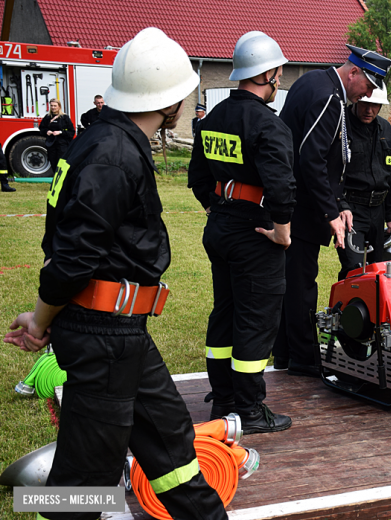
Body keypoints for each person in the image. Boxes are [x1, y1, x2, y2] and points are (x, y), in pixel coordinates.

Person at [3, 27, 228, 520]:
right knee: (79, 489)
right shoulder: (114, 154)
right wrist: (40, 320)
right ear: (171, 100)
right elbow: (74, 257)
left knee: (172, 449)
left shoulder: (103, 140)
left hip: (121, 336)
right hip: (102, 338)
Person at [187, 31, 296, 433]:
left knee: (226, 311)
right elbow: (282, 188)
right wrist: (282, 233)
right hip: (256, 233)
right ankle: (249, 412)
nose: (279, 82)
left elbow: (198, 178)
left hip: (221, 227)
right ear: (267, 73)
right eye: (278, 74)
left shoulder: (212, 118)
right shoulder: (268, 124)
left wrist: (219, 209)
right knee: (256, 319)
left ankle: (225, 399)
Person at [273, 44, 391, 376]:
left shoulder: (317, 82)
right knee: (301, 285)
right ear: (353, 73)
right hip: (302, 208)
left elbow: (325, 158)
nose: (366, 96)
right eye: (367, 87)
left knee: (293, 281)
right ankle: (301, 357)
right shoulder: (329, 97)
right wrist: (331, 213)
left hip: (297, 202)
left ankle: (284, 353)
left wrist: (338, 203)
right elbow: (311, 160)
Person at [337, 84, 391, 279]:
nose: (369, 110)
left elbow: (387, 175)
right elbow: (331, 173)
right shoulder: (340, 125)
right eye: (365, 104)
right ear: (356, 99)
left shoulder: (385, 128)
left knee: (379, 272)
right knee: (354, 270)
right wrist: (341, 205)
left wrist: (390, 215)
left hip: (378, 211)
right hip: (351, 210)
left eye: (376, 105)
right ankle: (345, 309)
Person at [39, 99, 75, 174]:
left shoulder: (64, 117)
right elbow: (41, 128)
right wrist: (47, 131)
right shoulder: (48, 117)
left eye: (55, 106)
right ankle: (55, 179)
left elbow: (71, 131)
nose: (53, 107)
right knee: (53, 162)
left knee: (61, 163)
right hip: (51, 143)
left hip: (62, 144)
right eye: (51, 105)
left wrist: (60, 132)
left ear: (59, 106)